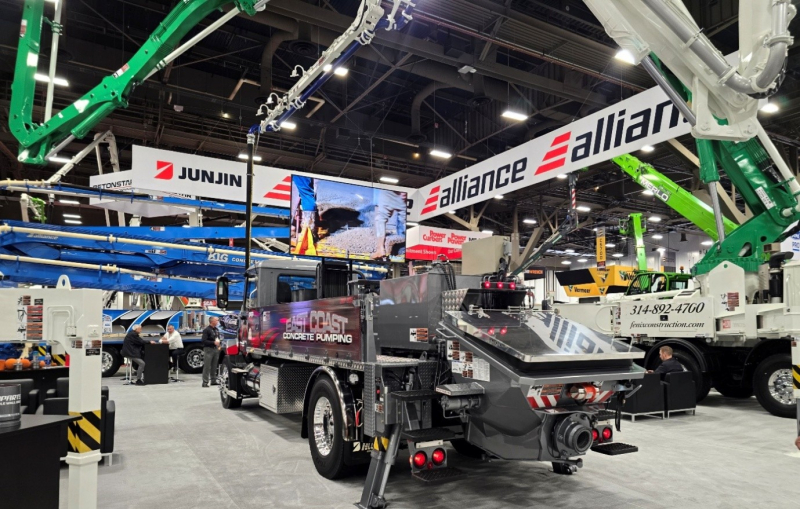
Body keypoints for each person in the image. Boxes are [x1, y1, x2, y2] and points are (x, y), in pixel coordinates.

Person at [372, 190, 407, 259]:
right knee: (405, 219)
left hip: (389, 191)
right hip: (400, 193)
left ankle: (380, 249)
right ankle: (412, 249)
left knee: (381, 218)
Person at [201, 317, 221, 387]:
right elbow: (204, 341)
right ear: (212, 321)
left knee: (214, 366)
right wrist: (213, 342)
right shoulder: (207, 330)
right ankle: (205, 382)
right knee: (207, 366)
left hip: (215, 349)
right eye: (216, 320)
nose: (218, 321)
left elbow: (217, 338)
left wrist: (218, 344)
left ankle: (213, 380)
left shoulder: (216, 329)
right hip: (208, 349)